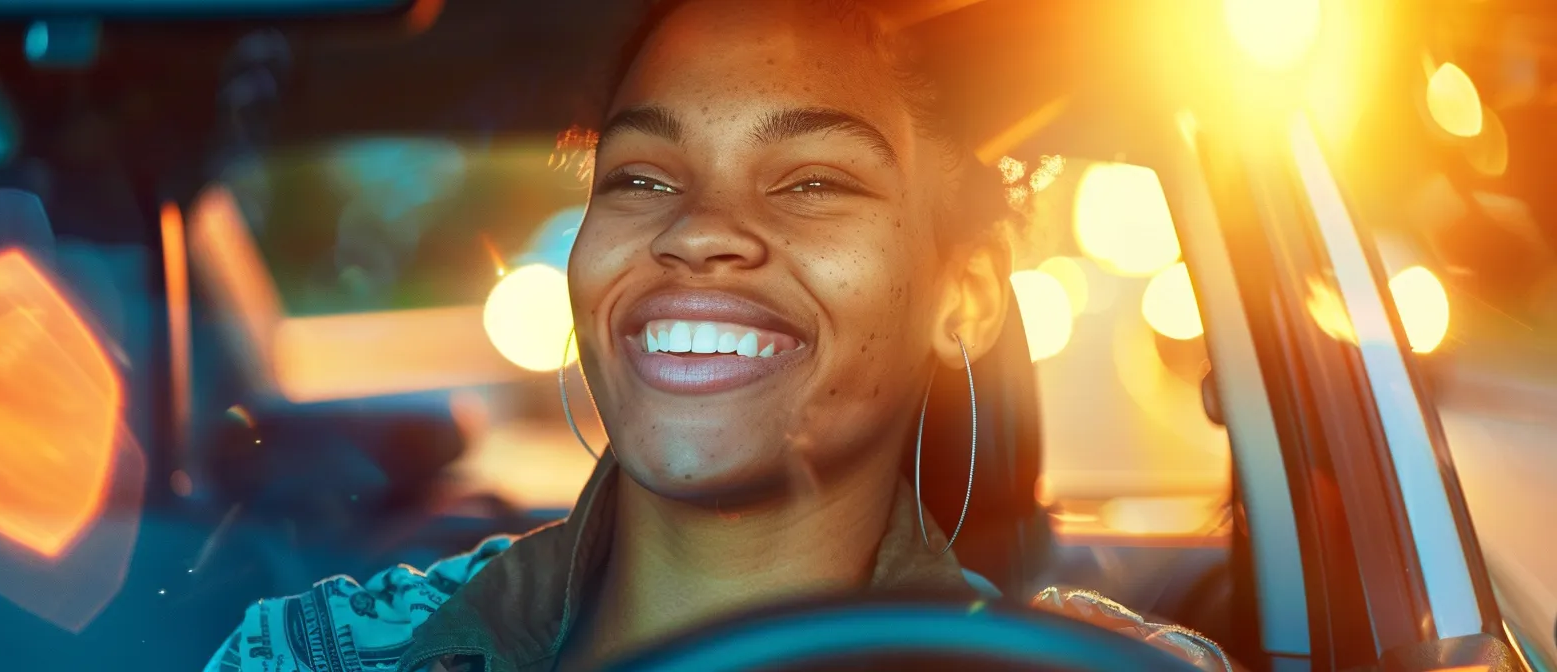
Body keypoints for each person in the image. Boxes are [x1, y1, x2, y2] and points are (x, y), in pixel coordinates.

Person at [205, 1, 1234, 670]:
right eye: (641, 179)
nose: (696, 231)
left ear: (962, 294)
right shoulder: (313, 657)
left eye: (815, 182)